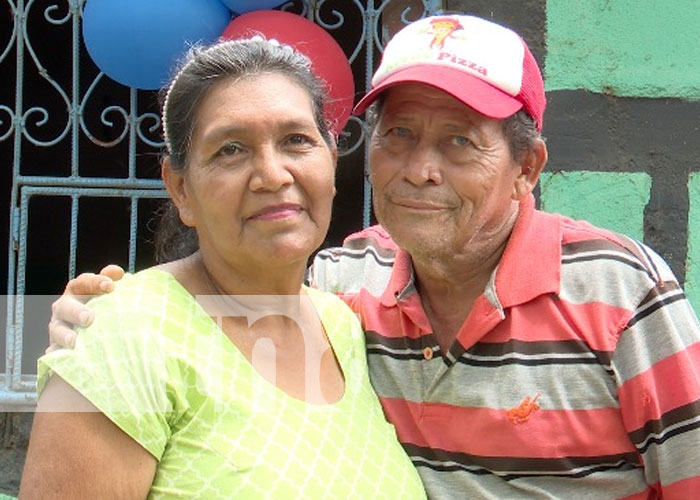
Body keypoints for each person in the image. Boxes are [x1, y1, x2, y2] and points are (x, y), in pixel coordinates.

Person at [46, 14, 700, 499]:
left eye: (459, 142)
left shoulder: (619, 293)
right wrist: (103, 322)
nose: (420, 170)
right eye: (401, 135)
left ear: (527, 166)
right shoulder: (349, 285)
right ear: (180, 189)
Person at [20, 37, 427, 499]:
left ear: (331, 162)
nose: (273, 175)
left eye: (296, 140)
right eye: (230, 150)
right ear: (181, 190)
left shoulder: (346, 325)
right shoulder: (126, 334)